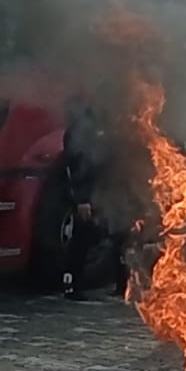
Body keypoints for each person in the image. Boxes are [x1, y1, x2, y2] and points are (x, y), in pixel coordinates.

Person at [62, 96, 128, 301]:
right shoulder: (82, 129)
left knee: (122, 237)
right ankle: (73, 286)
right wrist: (82, 199)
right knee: (81, 240)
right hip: (91, 194)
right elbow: (76, 166)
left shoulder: (120, 123)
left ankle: (122, 285)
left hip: (115, 192)